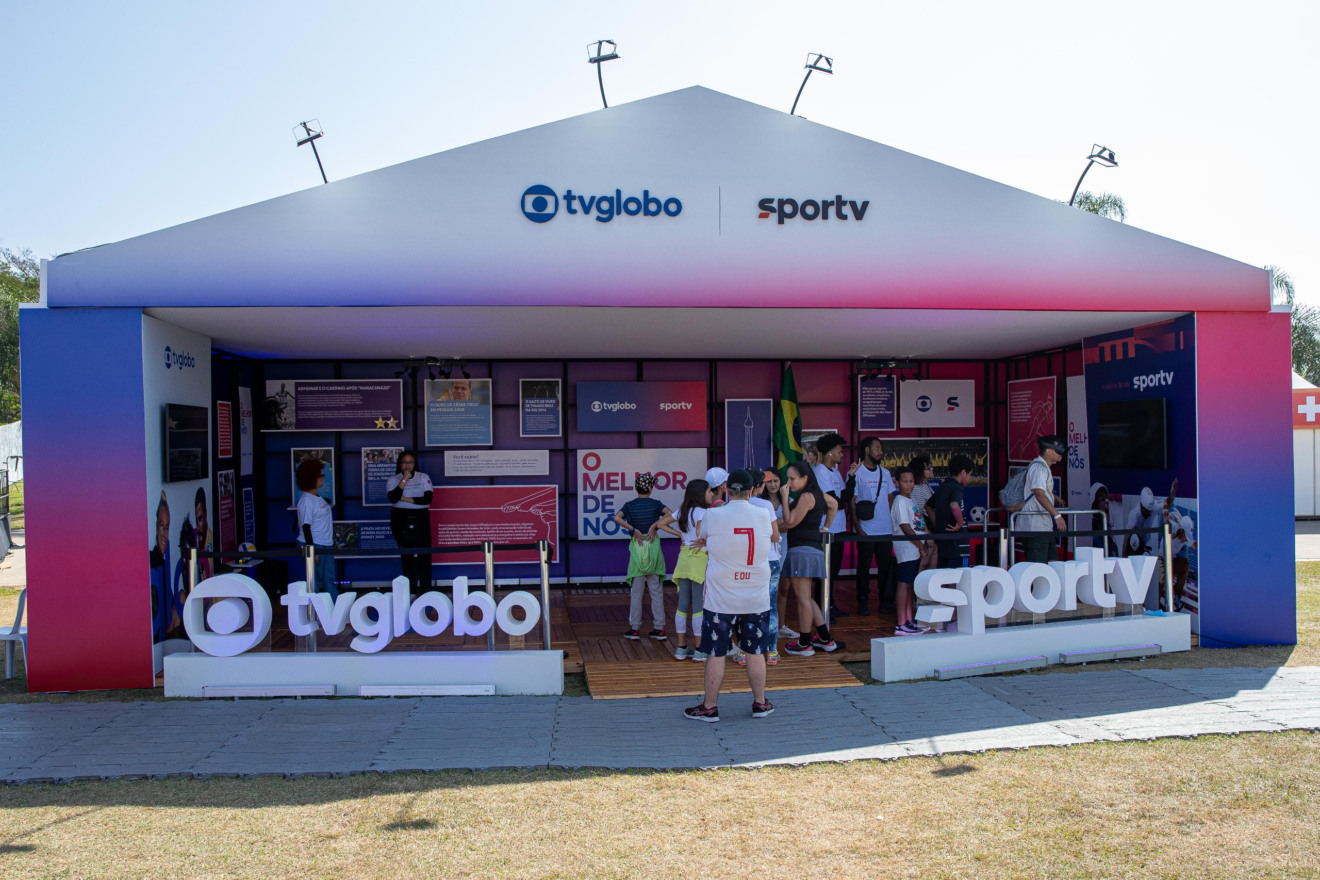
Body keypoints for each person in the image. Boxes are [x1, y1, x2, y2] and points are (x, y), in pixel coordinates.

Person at [683, 469, 778, 721]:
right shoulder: (762, 513)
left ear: (727, 490)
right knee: (756, 651)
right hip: (755, 596)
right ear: (751, 491)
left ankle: (710, 707)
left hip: (720, 598)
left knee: (715, 652)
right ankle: (760, 703)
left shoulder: (713, 514)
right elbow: (774, 537)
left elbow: (700, 532)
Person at [779, 460, 842, 656]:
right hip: (811, 550)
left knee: (803, 600)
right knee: (807, 598)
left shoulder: (806, 496)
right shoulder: (816, 494)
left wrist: (784, 498)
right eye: (787, 479)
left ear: (805, 478)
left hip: (802, 551)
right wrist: (825, 527)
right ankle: (825, 638)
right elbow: (834, 504)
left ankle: (804, 643)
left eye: (792, 479)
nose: (788, 483)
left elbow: (789, 522)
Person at [612, 473, 671, 640]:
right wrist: (655, 525)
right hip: (654, 549)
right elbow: (671, 514)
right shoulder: (656, 504)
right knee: (656, 591)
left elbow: (617, 517)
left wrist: (633, 530)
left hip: (637, 550)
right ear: (651, 489)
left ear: (636, 488)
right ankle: (659, 628)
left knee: (636, 593)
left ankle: (635, 629)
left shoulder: (629, 505)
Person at [657, 479, 711, 660]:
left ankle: (681, 647)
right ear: (701, 494)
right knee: (698, 606)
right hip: (699, 559)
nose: (711, 494)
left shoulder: (683, 511)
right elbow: (699, 532)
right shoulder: (703, 512)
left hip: (684, 558)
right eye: (709, 491)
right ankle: (699, 648)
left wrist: (680, 534)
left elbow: (660, 524)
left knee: (682, 604)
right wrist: (703, 539)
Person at [845, 437, 897, 615]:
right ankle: (863, 601)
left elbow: (890, 498)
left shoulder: (885, 473)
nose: (880, 451)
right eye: (877, 448)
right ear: (867, 450)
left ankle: (886, 601)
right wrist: (857, 527)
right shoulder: (856, 472)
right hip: (866, 529)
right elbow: (852, 501)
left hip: (885, 529)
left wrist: (890, 521)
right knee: (864, 567)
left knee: (886, 567)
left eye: (881, 448)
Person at [745, 467, 783, 665]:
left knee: (745, 606)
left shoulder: (732, 504)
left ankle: (745, 650)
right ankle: (772, 651)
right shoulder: (765, 504)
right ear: (758, 486)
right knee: (770, 606)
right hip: (769, 559)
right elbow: (775, 536)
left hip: (745, 561)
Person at [811, 432, 850, 618]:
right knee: (823, 572)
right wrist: (842, 500)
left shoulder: (835, 472)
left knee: (833, 571)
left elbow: (846, 497)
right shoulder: (820, 473)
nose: (842, 454)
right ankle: (821, 609)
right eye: (839, 451)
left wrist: (854, 477)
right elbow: (836, 502)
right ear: (829, 453)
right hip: (826, 529)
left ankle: (830, 605)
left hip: (839, 527)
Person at [890, 467, 931, 635]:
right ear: (897, 483)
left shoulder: (911, 500)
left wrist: (924, 540)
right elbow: (905, 527)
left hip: (915, 549)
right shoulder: (899, 501)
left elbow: (917, 524)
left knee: (909, 585)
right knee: (903, 584)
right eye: (905, 481)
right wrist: (920, 546)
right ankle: (901, 623)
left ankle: (908, 619)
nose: (909, 485)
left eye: (911, 481)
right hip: (907, 549)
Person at [1126, 480, 1178, 611]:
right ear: (1141, 506)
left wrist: (1172, 494)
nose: (1148, 514)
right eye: (1145, 512)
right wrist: (1123, 559)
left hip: (1144, 542)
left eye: (1150, 512)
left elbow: (1168, 503)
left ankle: (1142, 602)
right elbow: (1127, 538)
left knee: (1145, 571)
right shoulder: (1134, 514)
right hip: (1133, 543)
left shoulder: (1153, 506)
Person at [386, 451, 433, 595]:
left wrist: (406, 499)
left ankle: (425, 589)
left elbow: (427, 499)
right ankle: (410, 590)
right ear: (400, 464)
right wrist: (404, 479)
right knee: (406, 555)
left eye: (410, 462)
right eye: (404, 462)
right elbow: (393, 498)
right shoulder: (393, 480)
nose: (407, 465)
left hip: (421, 517)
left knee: (424, 554)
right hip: (400, 517)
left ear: (415, 463)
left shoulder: (423, 477)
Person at [1017, 435, 1068, 564]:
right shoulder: (1039, 468)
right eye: (1058, 450)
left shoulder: (1042, 467)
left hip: (1043, 526)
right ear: (1049, 451)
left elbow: (1040, 491)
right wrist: (1057, 516)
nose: (1062, 454)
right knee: (1038, 568)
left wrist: (1055, 498)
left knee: (1051, 563)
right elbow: (1039, 494)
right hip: (1035, 527)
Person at [761, 467, 798, 641]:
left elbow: (790, 524)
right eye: (769, 481)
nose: (773, 484)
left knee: (783, 589)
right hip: (765, 552)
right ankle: (764, 627)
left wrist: (778, 524)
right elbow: (780, 525)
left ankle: (781, 626)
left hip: (785, 548)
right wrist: (782, 523)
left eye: (776, 481)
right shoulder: (759, 502)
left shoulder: (789, 500)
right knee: (765, 592)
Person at [295, 458, 337, 600]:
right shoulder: (306, 500)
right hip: (315, 545)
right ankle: (317, 612)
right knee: (316, 581)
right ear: (312, 479)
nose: (322, 479)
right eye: (320, 476)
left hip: (326, 544)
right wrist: (312, 550)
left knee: (329, 579)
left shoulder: (317, 497)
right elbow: (306, 527)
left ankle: (335, 610)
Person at [928, 454, 974, 569]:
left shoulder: (944, 486)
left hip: (944, 544)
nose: (970, 478)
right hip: (957, 545)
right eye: (970, 474)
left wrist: (938, 524)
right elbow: (954, 505)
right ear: (963, 473)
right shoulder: (956, 488)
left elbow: (928, 506)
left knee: (944, 575)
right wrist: (959, 523)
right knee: (959, 577)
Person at [909, 456, 938, 572]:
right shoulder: (916, 488)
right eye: (927, 468)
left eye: (931, 467)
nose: (931, 469)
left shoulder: (925, 484)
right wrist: (926, 534)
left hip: (931, 526)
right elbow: (918, 512)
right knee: (924, 560)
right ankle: (918, 588)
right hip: (924, 528)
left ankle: (929, 587)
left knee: (933, 558)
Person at [149, 490, 171, 641]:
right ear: (156, 527)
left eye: (167, 528)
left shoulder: (165, 564)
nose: (163, 533)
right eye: (161, 526)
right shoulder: (150, 560)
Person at [194, 487, 214, 582]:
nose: (198, 526)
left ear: (206, 515)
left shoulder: (209, 536)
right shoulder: (194, 537)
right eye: (197, 519)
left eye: (200, 519)